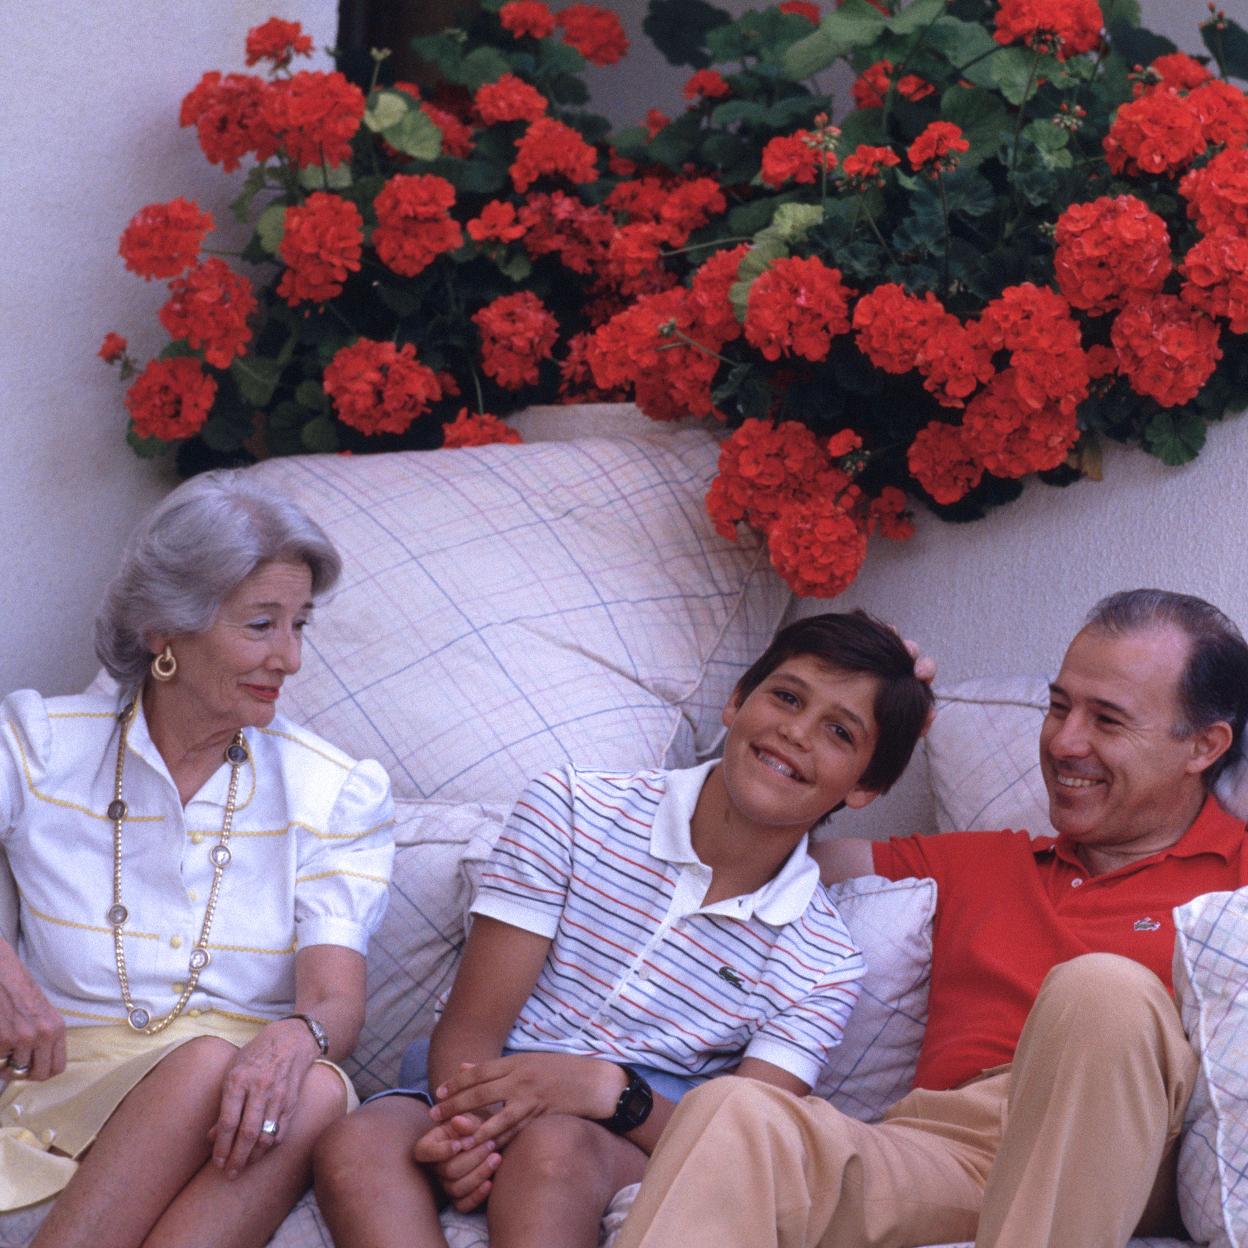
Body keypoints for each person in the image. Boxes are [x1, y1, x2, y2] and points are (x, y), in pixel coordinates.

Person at [615, 587, 1248, 1248]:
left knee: (1102, 991)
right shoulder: (983, 862)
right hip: (943, 1149)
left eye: (1107, 721)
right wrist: (862, 713)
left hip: (1119, 1154)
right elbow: (755, 849)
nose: (1065, 742)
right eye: (1058, 707)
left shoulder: (1239, 882)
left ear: (1203, 746)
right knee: (731, 1113)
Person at [313, 611, 934, 1248]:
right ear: (738, 699)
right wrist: (470, 1129)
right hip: (471, 1082)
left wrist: (610, 1091)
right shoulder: (574, 809)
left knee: (552, 1150)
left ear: (865, 786)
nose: (795, 731)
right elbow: (472, 1024)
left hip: (624, 1134)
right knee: (356, 1144)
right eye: (786, 696)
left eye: (838, 731)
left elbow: (740, 1146)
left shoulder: (824, 961)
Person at [0, 470, 395, 1248]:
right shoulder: (43, 743)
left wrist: (297, 1037)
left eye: (299, 625)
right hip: (70, 1087)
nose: (289, 659)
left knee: (308, 1086)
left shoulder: (332, 790)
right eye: (260, 625)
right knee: (216, 1062)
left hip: (255, 1100)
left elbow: (333, 1001)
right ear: (164, 630)